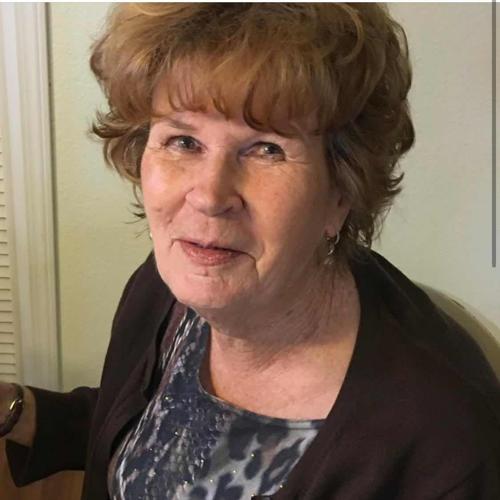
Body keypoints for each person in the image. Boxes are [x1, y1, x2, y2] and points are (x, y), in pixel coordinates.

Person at [1, 3, 499, 499]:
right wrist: (14, 410)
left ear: (341, 190)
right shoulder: (167, 285)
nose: (209, 196)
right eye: (183, 141)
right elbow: (148, 436)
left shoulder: (444, 444)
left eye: (267, 149)